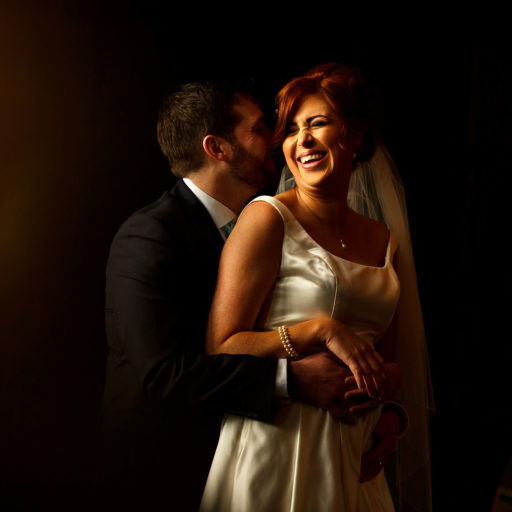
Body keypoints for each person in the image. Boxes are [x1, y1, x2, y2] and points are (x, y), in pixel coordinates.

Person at [99, 79, 394, 510]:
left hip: (289, 452)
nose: (278, 140)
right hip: (164, 469)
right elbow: (162, 374)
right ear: (217, 149)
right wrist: (290, 378)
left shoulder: (272, 224)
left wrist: (384, 410)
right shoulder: (150, 236)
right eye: (260, 130)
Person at [200, 64, 433, 512]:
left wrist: (389, 414)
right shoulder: (267, 219)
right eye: (290, 129)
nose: (300, 140)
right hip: (279, 447)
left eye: (317, 124)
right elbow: (221, 346)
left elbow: (390, 364)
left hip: (356, 456)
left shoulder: (386, 243)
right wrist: (320, 331)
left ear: (356, 137)